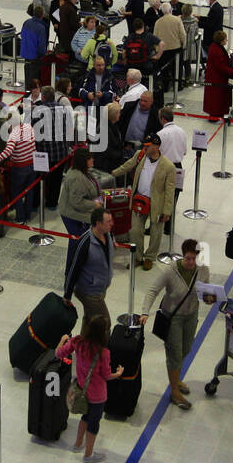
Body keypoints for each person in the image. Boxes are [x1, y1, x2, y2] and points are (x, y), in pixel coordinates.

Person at [139, 239, 214, 410]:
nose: (190, 262)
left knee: (186, 349)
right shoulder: (171, 271)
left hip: (191, 315)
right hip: (173, 318)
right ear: (182, 256)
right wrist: (145, 312)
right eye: (187, 258)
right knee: (174, 353)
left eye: (194, 259)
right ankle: (174, 391)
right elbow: (153, 290)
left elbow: (206, 290)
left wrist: (209, 298)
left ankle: (177, 379)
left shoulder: (202, 269)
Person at [55, 315, 122, 463]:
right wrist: (118, 374)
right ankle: (88, 454)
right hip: (98, 396)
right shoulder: (103, 352)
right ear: (103, 332)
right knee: (94, 423)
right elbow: (106, 375)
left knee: (84, 417)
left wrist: (62, 340)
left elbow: (58, 353)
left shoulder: (78, 342)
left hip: (81, 391)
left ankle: (78, 444)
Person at [111, 133, 175, 271]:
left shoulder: (168, 167)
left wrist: (167, 211)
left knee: (156, 232)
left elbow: (170, 191)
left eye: (148, 146)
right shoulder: (140, 155)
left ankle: (150, 257)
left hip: (156, 205)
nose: (145, 148)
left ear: (157, 146)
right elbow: (127, 166)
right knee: (135, 230)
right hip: (139, 201)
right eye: (145, 145)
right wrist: (113, 173)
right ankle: (138, 257)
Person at [64, 207, 115, 337]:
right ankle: (104, 353)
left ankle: (82, 348)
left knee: (89, 319)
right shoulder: (84, 243)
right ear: (98, 224)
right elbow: (73, 268)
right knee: (105, 323)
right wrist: (67, 295)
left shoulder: (108, 234)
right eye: (108, 221)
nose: (112, 223)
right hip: (89, 292)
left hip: (99, 287)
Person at [58, 147, 103, 272]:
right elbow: (76, 202)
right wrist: (95, 205)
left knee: (79, 242)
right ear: (83, 161)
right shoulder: (76, 177)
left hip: (76, 211)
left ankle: (77, 268)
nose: (92, 160)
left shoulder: (82, 171)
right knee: (77, 242)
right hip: (72, 214)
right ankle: (72, 270)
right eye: (90, 158)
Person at [202, 30, 233, 120]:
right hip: (216, 79)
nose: (226, 41)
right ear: (221, 41)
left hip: (216, 77)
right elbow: (220, 66)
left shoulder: (215, 46)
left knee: (216, 98)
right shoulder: (217, 51)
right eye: (225, 39)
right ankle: (215, 115)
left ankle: (217, 114)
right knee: (216, 98)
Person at [19, 6, 48, 88]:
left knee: (27, 77)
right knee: (34, 80)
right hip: (35, 58)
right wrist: (43, 56)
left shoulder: (26, 22)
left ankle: (27, 94)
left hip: (25, 54)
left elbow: (22, 34)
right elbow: (42, 45)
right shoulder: (41, 28)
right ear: (42, 15)